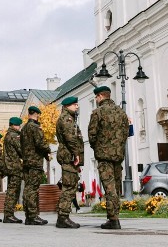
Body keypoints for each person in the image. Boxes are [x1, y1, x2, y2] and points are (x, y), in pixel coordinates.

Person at [88, 85, 128, 230]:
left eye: (96, 97)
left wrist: (97, 147)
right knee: (116, 187)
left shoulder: (97, 113)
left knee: (109, 187)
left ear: (99, 97)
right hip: (118, 155)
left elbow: (92, 135)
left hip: (104, 156)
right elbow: (125, 133)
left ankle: (113, 219)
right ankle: (115, 216)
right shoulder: (121, 113)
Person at [55, 96, 84, 229]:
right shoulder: (67, 118)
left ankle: (63, 216)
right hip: (68, 155)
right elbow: (70, 138)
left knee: (71, 185)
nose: (77, 106)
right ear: (67, 106)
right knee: (68, 187)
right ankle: (63, 218)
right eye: (74, 104)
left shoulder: (69, 117)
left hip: (68, 155)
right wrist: (76, 154)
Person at [20, 105, 50, 226]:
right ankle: (33, 216)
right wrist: (48, 149)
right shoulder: (35, 127)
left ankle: (28, 215)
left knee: (27, 188)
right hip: (35, 162)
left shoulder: (24, 128)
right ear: (37, 114)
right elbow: (40, 143)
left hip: (27, 162)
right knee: (32, 189)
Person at [2, 117, 23, 223]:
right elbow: (21, 150)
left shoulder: (8, 135)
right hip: (14, 167)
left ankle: (8, 214)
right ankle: (9, 215)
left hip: (10, 166)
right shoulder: (14, 136)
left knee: (12, 190)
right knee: (13, 191)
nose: (20, 127)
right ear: (14, 125)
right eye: (19, 125)